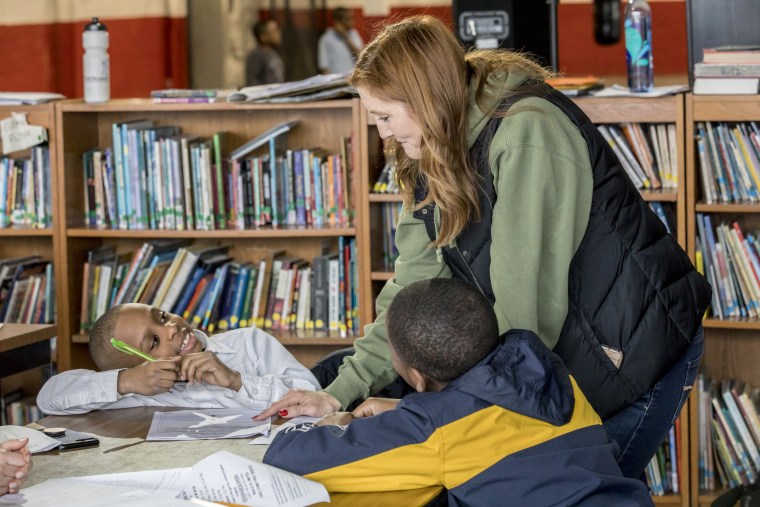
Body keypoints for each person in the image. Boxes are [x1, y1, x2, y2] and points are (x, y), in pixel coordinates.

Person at [257, 15, 712, 479]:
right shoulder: (427, 149)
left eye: (385, 116)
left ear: (426, 100)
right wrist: (339, 392)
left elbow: (524, 317)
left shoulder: (526, 132)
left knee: (585, 491)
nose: (383, 134)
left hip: (633, 349)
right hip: (558, 353)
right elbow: (412, 291)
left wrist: (422, 414)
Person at [263, 279, 654, 506]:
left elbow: (296, 459)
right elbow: (493, 423)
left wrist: (336, 420)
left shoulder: (437, 430)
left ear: (416, 377)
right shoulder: (545, 367)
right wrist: (408, 408)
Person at [37, 303, 319, 415]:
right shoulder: (134, 390)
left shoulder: (249, 343)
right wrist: (125, 381)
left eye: (161, 316)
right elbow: (48, 398)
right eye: (154, 342)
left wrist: (236, 382)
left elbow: (316, 398)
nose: (171, 328)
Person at [317, 7, 363, 75]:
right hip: (336, 81)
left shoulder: (354, 34)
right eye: (348, 19)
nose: (353, 21)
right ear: (337, 21)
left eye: (352, 18)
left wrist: (345, 37)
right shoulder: (326, 39)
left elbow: (361, 57)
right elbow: (324, 67)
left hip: (354, 79)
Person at [245, 19, 285, 86]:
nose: (278, 33)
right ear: (263, 36)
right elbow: (252, 81)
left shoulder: (273, 54)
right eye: (274, 31)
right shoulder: (256, 55)